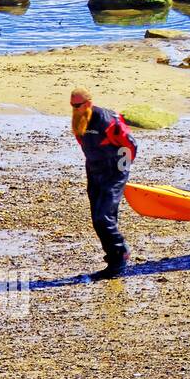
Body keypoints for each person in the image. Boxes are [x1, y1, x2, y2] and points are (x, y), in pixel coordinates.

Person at [70, 88, 137, 278]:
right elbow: (83, 142)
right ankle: (113, 260)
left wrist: (121, 170)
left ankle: (120, 255)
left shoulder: (107, 119)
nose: (75, 109)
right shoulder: (78, 119)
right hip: (94, 169)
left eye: (78, 105)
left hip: (113, 170)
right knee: (98, 218)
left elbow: (130, 144)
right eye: (72, 105)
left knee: (103, 217)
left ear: (89, 103)